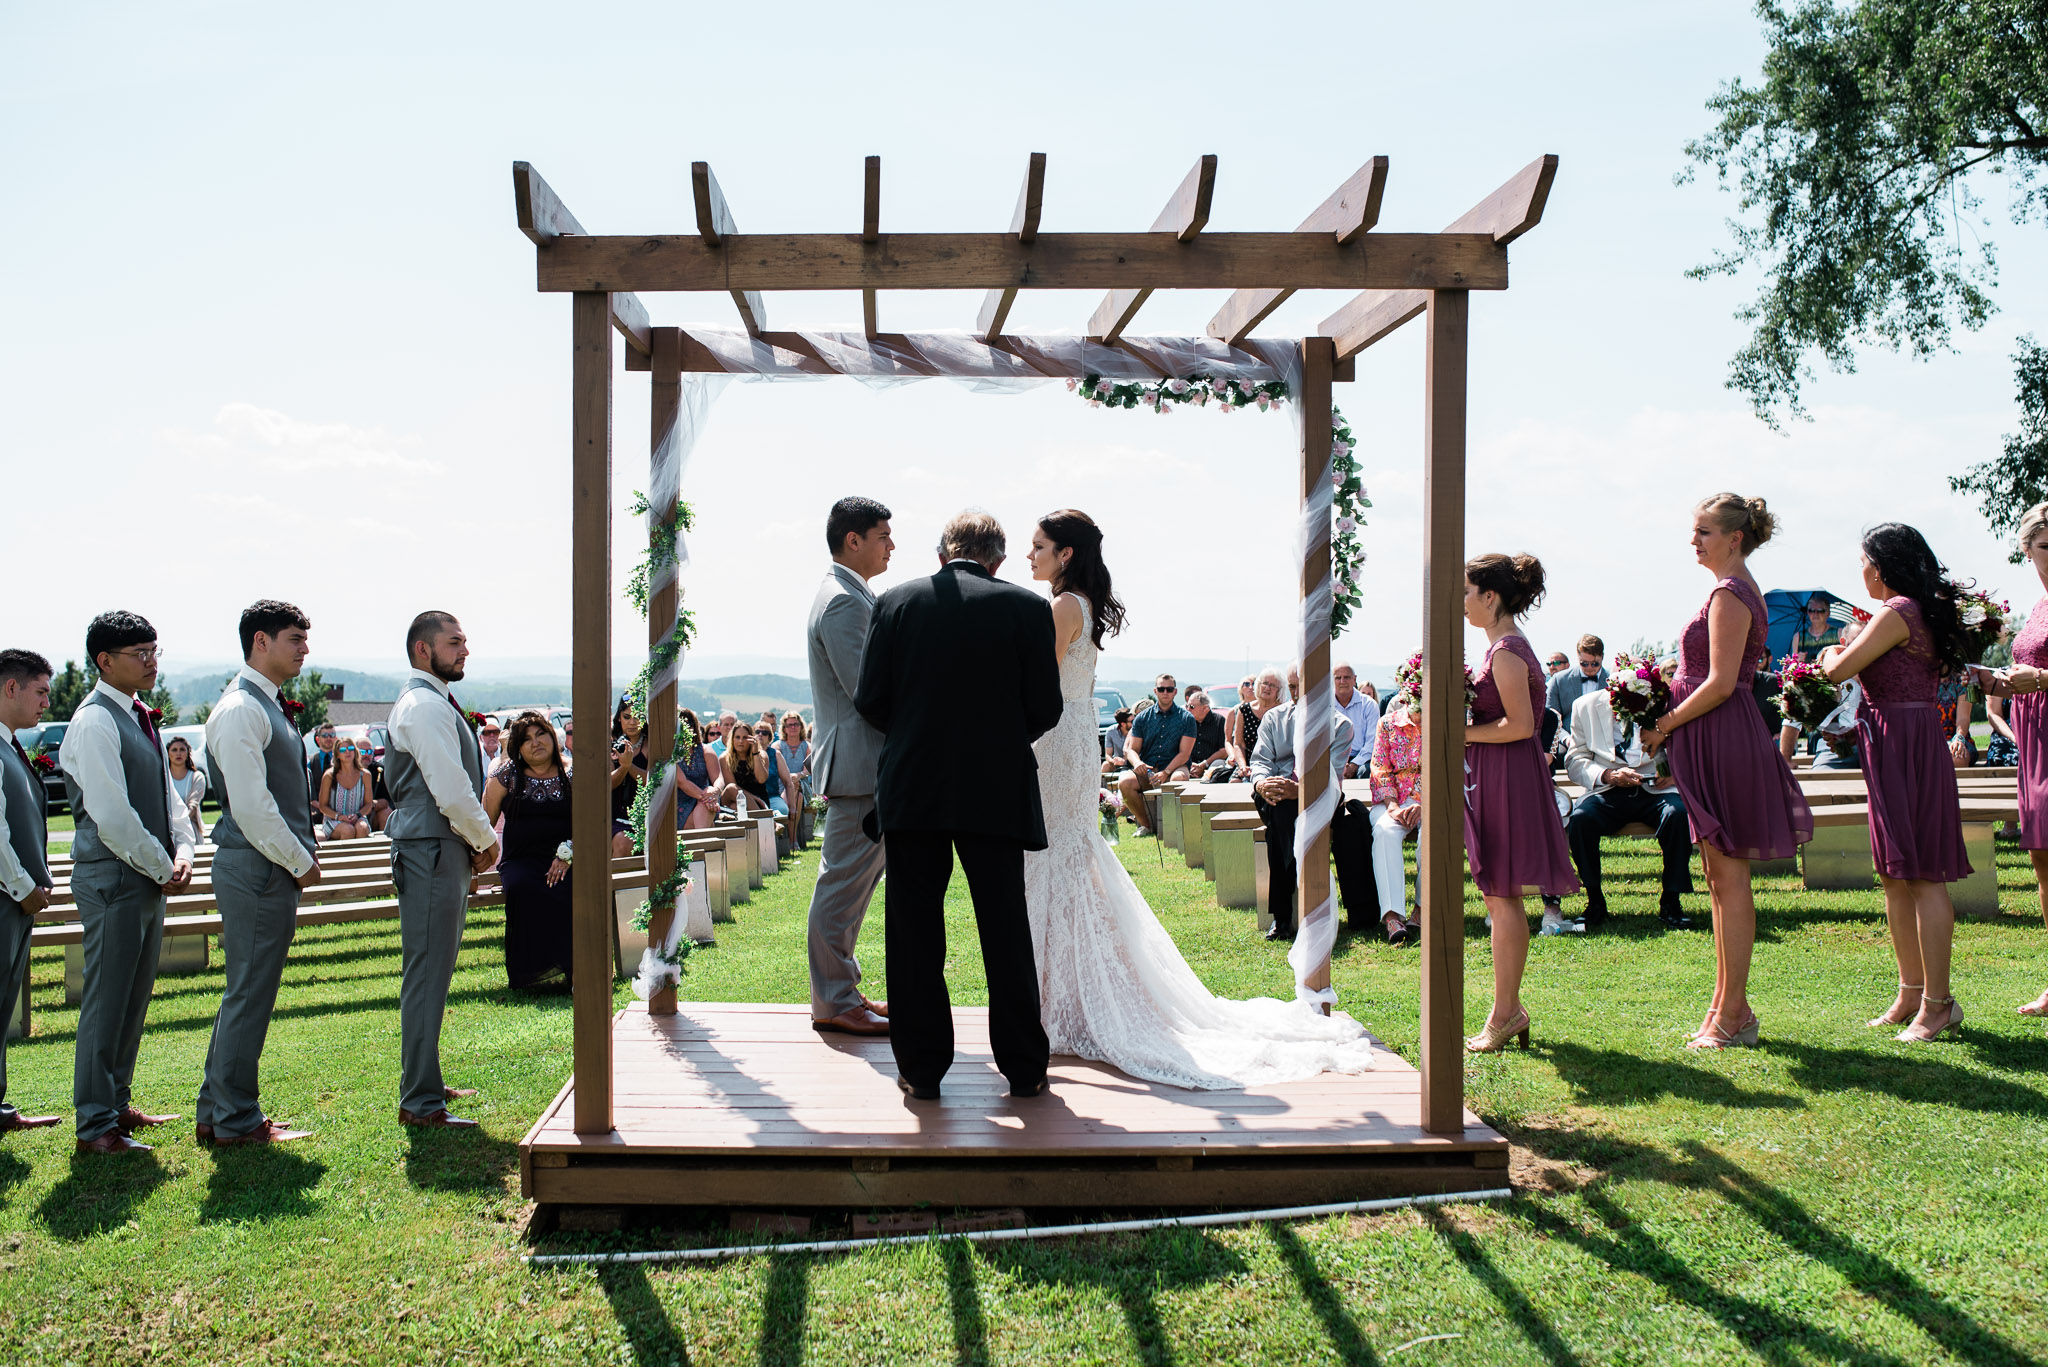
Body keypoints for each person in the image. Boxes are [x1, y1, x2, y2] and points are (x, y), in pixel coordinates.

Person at [1019, 508, 1374, 1085]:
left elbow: (1038, 680)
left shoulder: (1062, 606)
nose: (1028, 554)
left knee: (1057, 853)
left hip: (1056, 738)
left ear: (1065, 554)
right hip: (1073, 732)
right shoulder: (1081, 602)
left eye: (1038, 546)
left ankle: (1063, 997)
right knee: (1067, 855)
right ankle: (1065, 993)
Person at [856, 509, 1057, 1098]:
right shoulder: (1026, 608)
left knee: (914, 928)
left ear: (943, 555)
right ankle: (1024, 1066)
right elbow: (1045, 707)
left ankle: (921, 1069)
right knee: (1004, 926)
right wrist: (993, 738)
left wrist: (921, 732)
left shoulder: (896, 602)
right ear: (996, 560)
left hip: (915, 784)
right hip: (994, 786)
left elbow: (872, 699)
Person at [1642, 494, 1813, 1051]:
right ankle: (1724, 1005)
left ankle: (1735, 1011)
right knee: (1718, 877)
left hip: (1723, 736)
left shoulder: (1731, 591)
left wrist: (1664, 722)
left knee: (1730, 877)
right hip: (1712, 735)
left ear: (1734, 537)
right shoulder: (1730, 589)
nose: (1694, 541)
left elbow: (1718, 682)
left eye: (1703, 532)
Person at [1818, 524, 1975, 1042]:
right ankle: (1911, 991)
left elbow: (1839, 670)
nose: (1859, 570)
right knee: (1894, 873)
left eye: (1862, 560)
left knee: (1923, 874)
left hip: (1905, 740)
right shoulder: (1914, 610)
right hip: (1893, 740)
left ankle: (1939, 1003)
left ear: (1881, 565)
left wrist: (1826, 657)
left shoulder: (1897, 611)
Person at [59, 611, 196, 1153]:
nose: (151, 662)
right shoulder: (94, 720)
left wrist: (184, 849)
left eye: (154, 651)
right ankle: (94, 1124)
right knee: (107, 999)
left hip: (144, 873)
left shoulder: (139, 715)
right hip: (114, 874)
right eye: (139, 653)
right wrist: (164, 867)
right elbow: (112, 815)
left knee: (134, 996)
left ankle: (115, 1103)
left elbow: (168, 798)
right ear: (104, 661)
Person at [195, 600, 320, 1147]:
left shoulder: (262, 704)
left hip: (262, 864)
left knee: (244, 991)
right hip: (257, 864)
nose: (305, 649)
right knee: (249, 993)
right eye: (295, 638)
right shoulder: (242, 709)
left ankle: (215, 1109)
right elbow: (249, 805)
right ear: (260, 642)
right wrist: (299, 860)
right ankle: (238, 1119)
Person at [384, 611, 499, 1127]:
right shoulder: (423, 706)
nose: (465, 650)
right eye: (455, 642)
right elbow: (449, 789)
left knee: (434, 970)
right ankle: (420, 1100)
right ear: (423, 650)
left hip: (437, 847)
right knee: (427, 972)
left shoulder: (433, 701)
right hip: (431, 848)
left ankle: (424, 1076)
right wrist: (486, 840)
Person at [1462, 556, 1581, 1052]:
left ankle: (1506, 1012)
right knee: (1497, 893)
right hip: (1495, 773)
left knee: (1501, 893)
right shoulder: (1499, 648)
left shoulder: (1507, 652)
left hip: (1507, 777)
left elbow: (1522, 726)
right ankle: (1506, 1010)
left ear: (1490, 597)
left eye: (1467, 591)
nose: (1462, 601)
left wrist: (1457, 731)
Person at [804, 495, 894, 1036]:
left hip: (860, 764)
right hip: (859, 765)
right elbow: (869, 691)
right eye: (883, 535)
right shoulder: (842, 601)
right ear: (852, 540)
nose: (892, 545)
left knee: (852, 888)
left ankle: (842, 988)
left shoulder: (850, 594)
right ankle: (834, 999)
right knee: (841, 888)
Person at [1248, 663, 1378, 943]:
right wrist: (1261, 783)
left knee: (1285, 820)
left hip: (1321, 794)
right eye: (1292, 687)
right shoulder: (1274, 718)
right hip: (1274, 792)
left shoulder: (1341, 725)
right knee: (1281, 811)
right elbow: (1260, 761)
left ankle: (1283, 917)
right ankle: (1288, 913)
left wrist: (1300, 790)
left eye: (1301, 687)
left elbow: (1332, 773)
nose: (1296, 693)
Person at [1980, 502, 2048, 1021]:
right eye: (2045, 545)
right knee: (2043, 860)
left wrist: (2041, 680)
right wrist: (1999, 679)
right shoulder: (2039, 604)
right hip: (2035, 739)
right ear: (2025, 550)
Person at [1562, 671, 1694, 933]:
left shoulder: (1662, 701)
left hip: (1655, 788)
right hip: (1608, 787)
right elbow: (1574, 760)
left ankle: (1671, 900)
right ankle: (1595, 900)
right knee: (1580, 820)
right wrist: (1608, 775)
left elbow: (1684, 744)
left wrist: (1672, 770)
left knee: (1677, 814)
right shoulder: (1584, 706)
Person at [0, 649, 60, 1133]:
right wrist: (22, 887)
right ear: (10, 688)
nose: (46, 701)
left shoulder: (11, 745)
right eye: (39, 691)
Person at [483, 712, 575, 990]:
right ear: (517, 748)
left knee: (569, 887)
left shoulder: (574, 772)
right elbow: (483, 823)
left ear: (552, 736)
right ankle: (531, 976)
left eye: (541, 734)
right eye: (526, 739)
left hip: (570, 857)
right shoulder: (503, 777)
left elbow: (593, 821)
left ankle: (573, 971)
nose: (536, 743)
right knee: (523, 887)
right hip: (520, 860)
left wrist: (568, 854)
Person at [1367, 702, 1422, 944]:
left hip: (1432, 798)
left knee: (1435, 833)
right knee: (1385, 831)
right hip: (1393, 799)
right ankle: (1392, 916)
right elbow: (1380, 768)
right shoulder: (1388, 723)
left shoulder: (1445, 721)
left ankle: (1422, 909)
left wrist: (1426, 804)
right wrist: (1392, 805)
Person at [1118, 673, 1195, 832]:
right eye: (1161, 689)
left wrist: (1166, 771)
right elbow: (1132, 750)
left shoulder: (1187, 718)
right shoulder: (1142, 718)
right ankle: (1146, 825)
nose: (1165, 692)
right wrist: (1138, 763)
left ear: (1175, 691)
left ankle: (1176, 828)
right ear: (1155, 691)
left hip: (1175, 767)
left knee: (1178, 778)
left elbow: (1184, 754)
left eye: (1169, 689)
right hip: (1149, 769)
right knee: (1124, 782)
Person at [1222, 668, 1283, 785]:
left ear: (1279, 690)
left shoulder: (1282, 711)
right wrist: (1242, 766)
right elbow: (1238, 744)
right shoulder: (1244, 710)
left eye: (1272, 685)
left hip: (1274, 764)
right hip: (1247, 762)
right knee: (1235, 782)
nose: (1267, 687)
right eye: (1264, 683)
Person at [609, 696, 647, 857]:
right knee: (623, 842)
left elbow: (653, 783)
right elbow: (608, 784)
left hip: (644, 814)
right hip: (613, 813)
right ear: (619, 717)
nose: (632, 722)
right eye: (627, 716)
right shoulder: (609, 743)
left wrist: (629, 765)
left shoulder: (651, 744)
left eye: (637, 716)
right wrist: (623, 767)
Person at [674, 707, 724, 830]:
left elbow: (718, 777)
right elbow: (682, 783)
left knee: (704, 807)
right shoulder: (672, 754)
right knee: (705, 814)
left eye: (690, 724)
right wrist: (708, 799)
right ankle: (705, 843)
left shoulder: (706, 750)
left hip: (706, 800)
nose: (687, 728)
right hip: (681, 802)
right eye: (682, 724)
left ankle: (703, 843)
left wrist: (715, 790)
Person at [314, 737, 373, 841]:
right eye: (342, 750)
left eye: (350, 748)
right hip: (333, 819)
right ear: (337, 755)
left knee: (362, 828)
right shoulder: (329, 775)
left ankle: (361, 857)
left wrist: (358, 815)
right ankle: (345, 857)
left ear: (355, 751)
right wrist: (339, 816)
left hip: (358, 817)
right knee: (348, 830)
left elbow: (369, 804)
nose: (347, 752)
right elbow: (323, 806)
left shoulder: (365, 775)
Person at [1543, 634, 1607, 725]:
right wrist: (1566, 738)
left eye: (1595, 664)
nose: (1589, 668)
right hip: (1568, 736)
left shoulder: (1613, 682)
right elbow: (1552, 718)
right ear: (1578, 656)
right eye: (1584, 663)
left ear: (1603, 657)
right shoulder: (1559, 680)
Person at [1332, 661, 1380, 780]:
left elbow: (1373, 741)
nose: (1342, 681)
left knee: (1367, 771)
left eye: (1347, 677)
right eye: (1338, 678)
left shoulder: (1369, 705)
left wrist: (1354, 764)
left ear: (1354, 679)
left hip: (1360, 759)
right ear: (1332, 680)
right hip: (1332, 758)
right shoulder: (1324, 705)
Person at [724, 723, 777, 814]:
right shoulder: (725, 758)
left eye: (745, 738)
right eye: (737, 737)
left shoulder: (762, 755)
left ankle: (763, 819)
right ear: (732, 739)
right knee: (731, 789)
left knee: (736, 807)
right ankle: (767, 821)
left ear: (751, 739)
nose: (741, 741)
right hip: (736, 798)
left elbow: (761, 779)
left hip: (759, 800)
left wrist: (755, 753)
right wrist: (753, 798)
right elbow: (733, 789)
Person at [165, 736, 207, 841]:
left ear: (188, 753)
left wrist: (180, 824)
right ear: (168, 753)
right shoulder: (163, 777)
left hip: (191, 830)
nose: (178, 753)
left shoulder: (197, 777)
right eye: (174, 750)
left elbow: (193, 804)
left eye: (182, 749)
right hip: (167, 831)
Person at [774, 712, 812, 820]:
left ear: (801, 727)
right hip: (782, 784)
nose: (793, 727)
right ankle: (793, 834)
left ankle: (791, 832)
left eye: (796, 724)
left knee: (796, 787)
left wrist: (798, 775)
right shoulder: (777, 746)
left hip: (802, 784)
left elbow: (808, 770)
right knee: (795, 793)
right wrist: (789, 778)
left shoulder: (807, 746)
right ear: (784, 728)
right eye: (789, 725)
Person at [1185, 690, 1228, 777]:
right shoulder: (1186, 722)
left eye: (1192, 707)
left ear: (1205, 708)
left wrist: (1204, 765)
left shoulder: (1219, 721)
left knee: (1218, 765)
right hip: (1190, 765)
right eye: (1187, 706)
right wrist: (1190, 764)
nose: (1188, 709)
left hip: (1212, 765)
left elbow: (1224, 751)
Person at [1790, 595, 1842, 660]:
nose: (1815, 614)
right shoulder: (1798, 637)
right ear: (1807, 613)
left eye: (1820, 611)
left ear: (1828, 613)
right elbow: (1793, 665)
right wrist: (1797, 660)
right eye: (1811, 610)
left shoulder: (1839, 633)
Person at [305, 722, 337, 798]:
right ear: (318, 739)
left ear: (335, 738)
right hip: (316, 806)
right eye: (325, 735)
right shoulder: (311, 762)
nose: (328, 738)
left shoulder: (341, 759)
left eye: (332, 735)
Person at [1101, 708, 1134, 776]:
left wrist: (1124, 760)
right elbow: (1108, 754)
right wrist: (1114, 761)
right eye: (1132, 721)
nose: (1135, 723)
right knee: (1105, 765)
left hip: (1132, 762)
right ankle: (1103, 786)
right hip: (1117, 763)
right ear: (1123, 724)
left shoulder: (1136, 730)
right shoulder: (1111, 731)